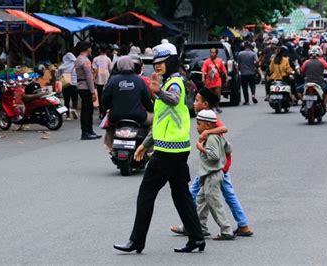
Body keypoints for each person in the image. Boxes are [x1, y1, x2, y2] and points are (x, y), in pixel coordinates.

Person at [113, 42, 205, 254]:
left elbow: (172, 100)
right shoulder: (170, 82)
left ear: (171, 61)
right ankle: (197, 238)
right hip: (176, 149)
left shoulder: (176, 83)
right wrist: (145, 145)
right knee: (180, 194)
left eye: (161, 62)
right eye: (155, 63)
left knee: (146, 193)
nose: (157, 66)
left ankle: (137, 240)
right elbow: (162, 121)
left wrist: (158, 91)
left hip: (168, 152)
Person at [170, 88, 253, 238]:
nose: (194, 103)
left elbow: (224, 130)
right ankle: (202, 225)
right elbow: (227, 145)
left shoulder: (211, 120)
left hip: (215, 167)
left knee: (197, 195)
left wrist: (205, 138)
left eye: (197, 100)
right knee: (204, 196)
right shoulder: (208, 119)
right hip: (215, 166)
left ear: (205, 104)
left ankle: (202, 226)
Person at [194, 109, 235, 240]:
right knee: (201, 200)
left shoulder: (211, 138)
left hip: (212, 175)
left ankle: (226, 230)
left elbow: (214, 156)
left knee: (215, 203)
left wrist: (201, 149)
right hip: (209, 176)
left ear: (208, 125)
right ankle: (200, 227)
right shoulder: (218, 137)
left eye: (199, 124)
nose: (197, 127)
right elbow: (229, 148)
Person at [101, 56, 153, 149]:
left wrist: (109, 108)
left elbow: (104, 99)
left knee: (109, 128)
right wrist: (151, 110)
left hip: (116, 117)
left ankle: (110, 147)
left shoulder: (113, 80)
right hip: (138, 116)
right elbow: (147, 100)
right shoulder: (139, 80)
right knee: (154, 121)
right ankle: (149, 148)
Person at [75, 41, 101, 140]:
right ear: (87, 49)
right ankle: (87, 131)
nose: (91, 50)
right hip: (86, 87)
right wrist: (93, 91)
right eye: (90, 48)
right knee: (88, 111)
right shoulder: (85, 61)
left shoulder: (78, 59)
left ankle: (87, 131)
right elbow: (89, 77)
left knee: (85, 110)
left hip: (80, 86)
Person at [297, 46, 327, 111]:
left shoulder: (306, 62)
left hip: (307, 83)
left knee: (298, 90)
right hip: (319, 84)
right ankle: (324, 106)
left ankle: (303, 103)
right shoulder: (322, 61)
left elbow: (302, 71)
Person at [92, 44, 112, 119]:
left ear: (99, 50)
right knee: (107, 97)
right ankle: (106, 112)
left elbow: (94, 70)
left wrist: (93, 79)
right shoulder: (108, 59)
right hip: (107, 80)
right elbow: (110, 69)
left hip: (98, 80)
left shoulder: (95, 59)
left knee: (100, 97)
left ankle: (101, 112)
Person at [59, 51, 79, 120]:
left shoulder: (62, 66)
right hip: (74, 84)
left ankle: (68, 116)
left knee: (66, 100)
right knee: (74, 98)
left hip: (65, 84)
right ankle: (74, 109)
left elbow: (57, 75)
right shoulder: (75, 65)